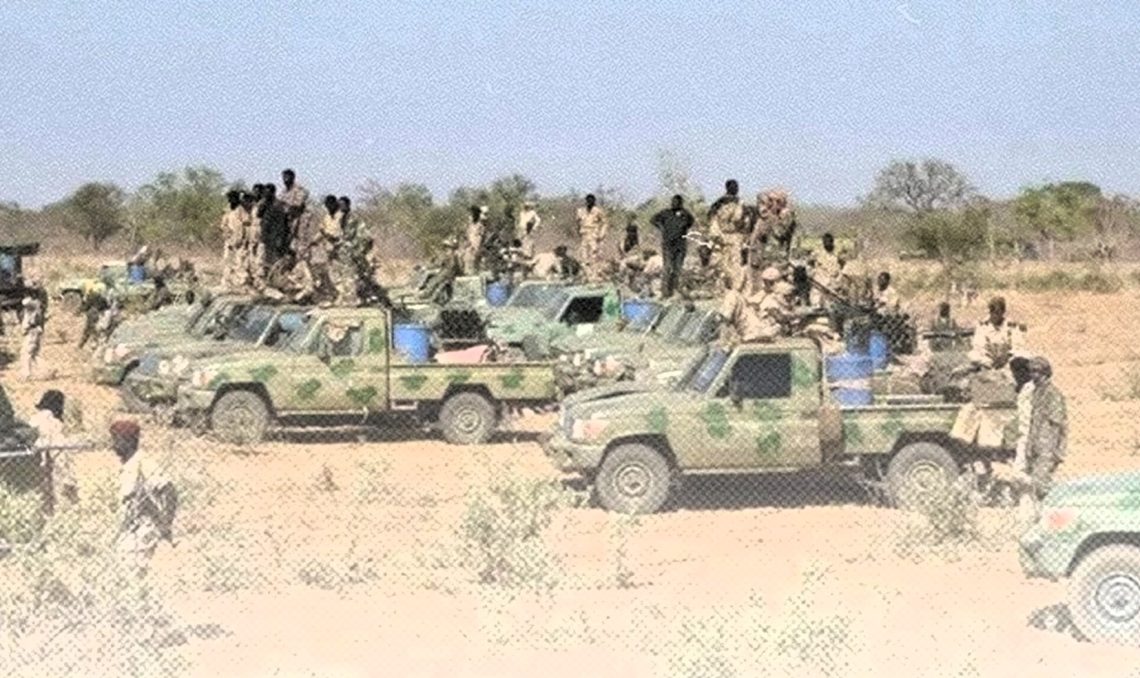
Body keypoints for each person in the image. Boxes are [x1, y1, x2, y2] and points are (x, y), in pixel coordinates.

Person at [111, 421, 178, 575]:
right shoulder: (129, 465)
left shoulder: (144, 463)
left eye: (116, 440)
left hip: (143, 527)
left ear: (128, 442)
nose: (113, 446)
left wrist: (166, 524)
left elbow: (169, 490)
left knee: (129, 570)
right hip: (130, 527)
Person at [30, 389, 79, 513]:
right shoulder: (55, 423)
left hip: (33, 461)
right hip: (49, 462)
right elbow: (59, 451)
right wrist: (70, 478)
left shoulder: (33, 420)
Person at [1025, 357, 1066, 501]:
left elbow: (1057, 423)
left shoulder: (1053, 394)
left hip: (1047, 443)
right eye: (1031, 371)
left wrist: (1054, 449)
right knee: (1033, 482)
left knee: (1041, 482)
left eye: (1037, 371)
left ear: (1045, 373)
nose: (1033, 375)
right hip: (1036, 442)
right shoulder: (1036, 392)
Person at [708, 180, 749, 292]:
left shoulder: (718, 203)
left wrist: (714, 236)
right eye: (735, 187)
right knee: (733, 263)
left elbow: (712, 219)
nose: (737, 189)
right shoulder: (738, 203)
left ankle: (726, 288)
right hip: (733, 236)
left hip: (723, 235)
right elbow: (738, 219)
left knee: (723, 263)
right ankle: (733, 288)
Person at [651, 194, 695, 299]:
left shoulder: (685, 214)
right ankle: (665, 293)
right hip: (668, 245)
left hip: (680, 245)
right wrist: (662, 227)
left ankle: (676, 291)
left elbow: (690, 222)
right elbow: (653, 220)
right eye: (673, 201)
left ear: (681, 203)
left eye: (677, 202)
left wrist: (682, 227)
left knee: (677, 269)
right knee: (667, 267)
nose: (674, 204)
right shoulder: (665, 213)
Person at [968, 296, 1024, 370]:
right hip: (988, 359)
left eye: (997, 312)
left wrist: (1008, 357)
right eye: (992, 311)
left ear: (1003, 312)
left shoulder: (1011, 325)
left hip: (1007, 359)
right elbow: (979, 346)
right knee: (972, 355)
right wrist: (987, 361)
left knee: (1023, 354)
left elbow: (1017, 345)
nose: (994, 315)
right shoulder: (983, 325)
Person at [575, 194, 610, 281]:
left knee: (594, 255)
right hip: (584, 235)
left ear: (594, 202)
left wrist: (602, 234)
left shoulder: (598, 211)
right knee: (584, 256)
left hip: (594, 235)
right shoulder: (581, 211)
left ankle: (595, 275)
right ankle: (587, 275)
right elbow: (578, 223)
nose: (589, 203)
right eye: (588, 201)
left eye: (591, 201)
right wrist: (579, 231)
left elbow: (605, 223)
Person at [260, 183, 290, 269]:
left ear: (272, 193)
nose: (265, 195)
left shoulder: (278, 205)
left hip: (276, 238)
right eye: (264, 193)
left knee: (276, 263)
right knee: (266, 262)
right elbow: (259, 215)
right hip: (267, 237)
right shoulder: (265, 204)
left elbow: (281, 224)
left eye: (267, 193)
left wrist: (280, 239)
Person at [19, 295, 44, 381]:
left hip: (31, 334)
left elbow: (29, 324)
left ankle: (26, 374)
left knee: (26, 354)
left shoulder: (32, 313)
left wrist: (25, 330)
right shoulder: (36, 311)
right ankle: (45, 370)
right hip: (34, 334)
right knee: (34, 355)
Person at [462, 205, 486, 275]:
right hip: (469, 247)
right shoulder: (469, 226)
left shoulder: (480, 226)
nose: (469, 216)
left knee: (474, 261)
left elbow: (480, 238)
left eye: (471, 214)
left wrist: (474, 246)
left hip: (475, 247)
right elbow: (467, 236)